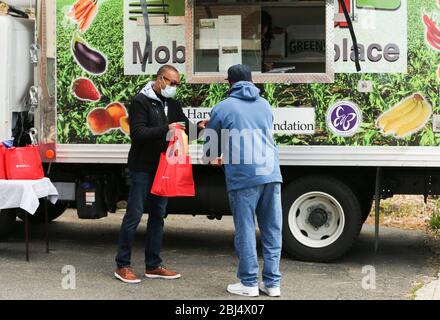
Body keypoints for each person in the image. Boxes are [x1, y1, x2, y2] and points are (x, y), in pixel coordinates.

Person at [114, 65, 206, 284]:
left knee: (158, 216)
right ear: (159, 79)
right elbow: (138, 134)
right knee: (134, 215)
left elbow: (183, 129)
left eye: (177, 84)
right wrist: (166, 128)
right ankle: (122, 265)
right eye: (171, 82)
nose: (174, 87)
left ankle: (153, 265)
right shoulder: (140, 101)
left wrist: (201, 127)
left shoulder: (172, 103)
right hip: (142, 167)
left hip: (164, 168)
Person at [203, 64, 283, 297]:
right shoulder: (265, 105)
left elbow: (210, 146)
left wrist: (213, 157)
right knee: (272, 229)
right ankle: (272, 283)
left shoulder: (223, 107)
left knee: (246, 229)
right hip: (271, 173)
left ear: (229, 83)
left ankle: (248, 283)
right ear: (251, 81)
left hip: (243, 176)